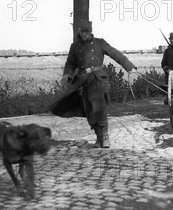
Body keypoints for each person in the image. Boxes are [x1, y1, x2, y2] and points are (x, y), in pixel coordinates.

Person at [51, 20, 138, 149]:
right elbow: (70, 63)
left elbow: (116, 54)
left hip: (98, 79)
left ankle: (105, 137)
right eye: (83, 32)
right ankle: (99, 137)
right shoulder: (74, 47)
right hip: (82, 81)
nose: (85, 34)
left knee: (100, 108)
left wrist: (130, 68)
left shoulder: (100, 43)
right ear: (79, 31)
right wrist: (67, 74)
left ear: (91, 32)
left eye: (87, 32)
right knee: (89, 110)